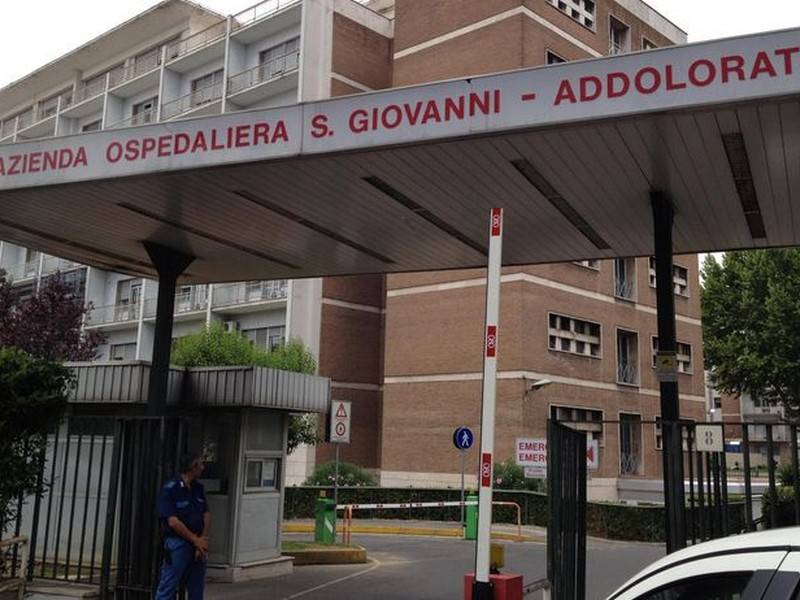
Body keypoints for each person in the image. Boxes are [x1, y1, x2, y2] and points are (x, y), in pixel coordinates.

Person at [155, 451, 210, 600]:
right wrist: (195, 540)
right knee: (168, 586)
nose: (203, 468)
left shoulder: (198, 488)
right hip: (178, 543)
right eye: (200, 464)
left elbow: (206, 514)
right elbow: (173, 521)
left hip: (198, 545)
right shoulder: (171, 488)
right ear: (193, 466)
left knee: (196, 589)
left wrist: (202, 540)